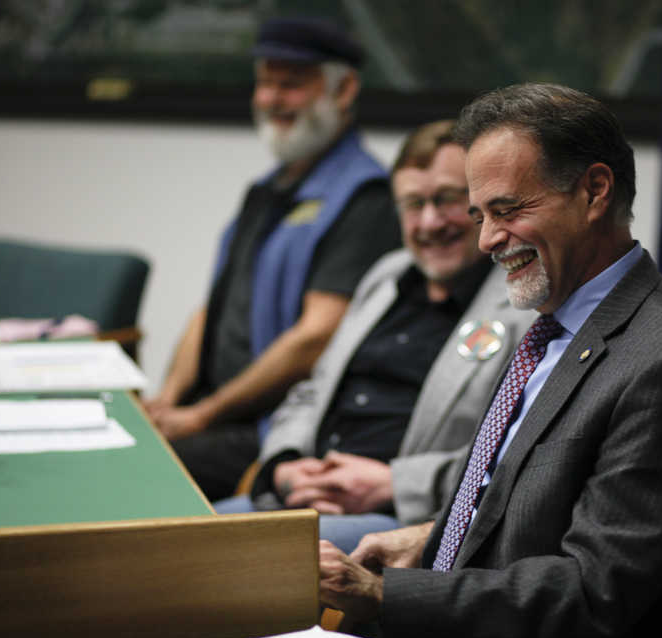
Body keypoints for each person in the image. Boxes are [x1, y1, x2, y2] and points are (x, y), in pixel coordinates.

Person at [318, 83, 662, 638]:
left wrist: (382, 595)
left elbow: (591, 595)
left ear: (594, 191)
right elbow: (518, 500)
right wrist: (429, 538)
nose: (488, 239)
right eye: (480, 215)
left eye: (508, 210)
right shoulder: (550, 328)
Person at [215, 120, 536, 554]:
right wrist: (286, 465)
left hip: (403, 520)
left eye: (446, 200)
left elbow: (520, 454)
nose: (429, 222)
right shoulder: (385, 277)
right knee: (168, 538)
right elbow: (311, 392)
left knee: (215, 558)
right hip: (303, 498)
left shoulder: (522, 304)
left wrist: (392, 484)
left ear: (480, 203)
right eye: (412, 204)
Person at [143, 17, 400, 501]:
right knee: (130, 443)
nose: (271, 99)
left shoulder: (366, 198)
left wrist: (201, 415)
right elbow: (211, 310)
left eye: (290, 84)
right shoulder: (265, 191)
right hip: (211, 414)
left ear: (343, 89)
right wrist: (170, 399)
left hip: (273, 431)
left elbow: (316, 336)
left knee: (137, 475)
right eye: (264, 82)